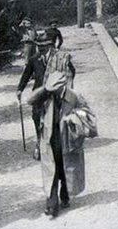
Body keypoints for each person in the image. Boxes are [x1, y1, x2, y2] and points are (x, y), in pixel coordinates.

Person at [27, 72, 90, 217]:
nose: (53, 92)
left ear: (62, 86)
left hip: (67, 140)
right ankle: (51, 206)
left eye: (55, 88)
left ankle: (65, 196)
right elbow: (29, 101)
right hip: (50, 139)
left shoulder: (74, 96)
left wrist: (73, 117)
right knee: (51, 172)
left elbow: (87, 113)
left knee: (64, 169)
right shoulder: (47, 95)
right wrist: (44, 89)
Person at [17, 30, 76, 160]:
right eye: (38, 46)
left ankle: (57, 147)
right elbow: (26, 74)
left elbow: (71, 71)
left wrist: (66, 87)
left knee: (54, 120)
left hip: (55, 95)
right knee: (37, 119)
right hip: (39, 94)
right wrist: (19, 89)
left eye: (43, 46)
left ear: (50, 45)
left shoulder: (60, 58)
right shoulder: (34, 59)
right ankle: (39, 144)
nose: (41, 49)